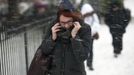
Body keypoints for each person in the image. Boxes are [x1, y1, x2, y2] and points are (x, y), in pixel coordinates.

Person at [38, 0, 92, 75]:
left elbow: (82, 56)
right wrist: (52, 38)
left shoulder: (84, 28)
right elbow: (44, 51)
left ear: (73, 17)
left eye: (69, 21)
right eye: (63, 22)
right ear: (58, 19)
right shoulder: (53, 27)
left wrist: (74, 37)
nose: (66, 25)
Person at [81, 3, 100, 70]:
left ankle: (89, 64)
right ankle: (83, 64)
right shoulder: (81, 17)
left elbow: (96, 23)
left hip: (90, 36)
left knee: (90, 50)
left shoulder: (93, 16)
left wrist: (92, 32)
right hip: (83, 36)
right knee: (82, 50)